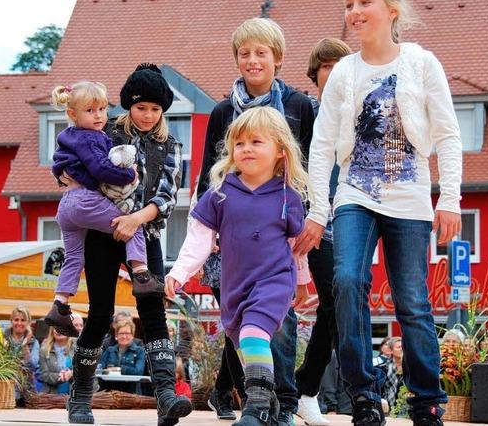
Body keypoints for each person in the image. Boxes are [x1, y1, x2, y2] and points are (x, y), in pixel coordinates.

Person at [302, 0, 463, 425]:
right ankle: (364, 396)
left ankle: (427, 402)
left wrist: (449, 199)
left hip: (409, 197)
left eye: (364, 2)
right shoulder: (343, 73)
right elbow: (321, 147)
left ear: (392, 10)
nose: (354, 11)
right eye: (349, 4)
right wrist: (319, 210)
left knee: (411, 301)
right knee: (348, 280)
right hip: (356, 193)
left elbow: (447, 134)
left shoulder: (422, 62)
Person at [196, 18, 315, 426]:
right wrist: (206, 231)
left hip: (280, 226)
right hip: (230, 228)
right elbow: (208, 173)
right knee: (236, 319)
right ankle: (232, 392)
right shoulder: (222, 111)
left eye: (261, 52)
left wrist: (312, 221)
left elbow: (308, 167)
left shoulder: (299, 106)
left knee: (276, 320)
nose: (252, 60)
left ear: (277, 59)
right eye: (245, 53)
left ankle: (277, 402)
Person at [166, 106, 310, 426]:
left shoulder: (289, 198)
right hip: (235, 286)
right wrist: (179, 272)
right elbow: (199, 238)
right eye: (239, 143)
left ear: (280, 152)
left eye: (256, 142)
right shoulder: (220, 193)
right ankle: (268, 402)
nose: (246, 148)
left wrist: (301, 282)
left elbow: (297, 249)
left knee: (254, 331)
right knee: (243, 343)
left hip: (274, 280)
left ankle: (255, 406)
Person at [66, 63, 192, 425]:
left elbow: (167, 196)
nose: (148, 115)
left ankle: (166, 395)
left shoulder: (170, 145)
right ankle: (80, 397)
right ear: (128, 107)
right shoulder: (106, 132)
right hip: (103, 233)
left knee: (153, 310)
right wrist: (64, 173)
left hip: (145, 232)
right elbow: (78, 163)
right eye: (141, 108)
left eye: (155, 109)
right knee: (102, 312)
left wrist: (135, 219)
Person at [45, 80, 159, 338]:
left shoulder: (68, 137)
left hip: (67, 206)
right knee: (131, 224)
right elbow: (99, 169)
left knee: (74, 256)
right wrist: (128, 175)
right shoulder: (90, 137)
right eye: (90, 111)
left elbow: (58, 165)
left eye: (102, 109)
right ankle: (141, 274)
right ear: (73, 114)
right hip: (86, 201)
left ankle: (60, 304)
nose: (98, 116)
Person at [295, 37, 352, 426]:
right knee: (332, 304)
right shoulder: (304, 112)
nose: (332, 73)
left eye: (339, 65)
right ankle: (304, 389)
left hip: (352, 219)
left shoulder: (358, 114)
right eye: (326, 66)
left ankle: (302, 387)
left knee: (342, 306)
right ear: (315, 73)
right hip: (311, 221)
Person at [4, 306, 40, 404]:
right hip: (6, 391)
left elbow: (32, 366)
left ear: (28, 322)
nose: (19, 323)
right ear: (11, 321)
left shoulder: (34, 342)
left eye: (23, 320)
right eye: (16, 320)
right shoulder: (3, 339)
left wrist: (25, 345)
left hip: (27, 392)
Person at [99, 319, 146, 394]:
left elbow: (138, 371)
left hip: (131, 394)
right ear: (116, 335)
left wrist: (119, 369)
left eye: (127, 333)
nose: (124, 336)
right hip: (109, 394)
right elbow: (100, 370)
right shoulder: (109, 350)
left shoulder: (140, 351)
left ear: (132, 335)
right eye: (121, 333)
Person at [39, 327, 75, 394]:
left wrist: (71, 373)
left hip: (73, 396)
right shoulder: (44, 350)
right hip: (51, 397)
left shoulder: (76, 348)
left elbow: (84, 370)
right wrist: (61, 376)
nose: (59, 331)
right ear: (52, 330)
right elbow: (44, 375)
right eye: (56, 328)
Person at [381, 337, 404, 413]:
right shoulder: (385, 367)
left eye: (403, 347)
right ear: (391, 351)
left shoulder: (411, 367)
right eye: (399, 347)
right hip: (388, 407)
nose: (401, 349)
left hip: (406, 408)